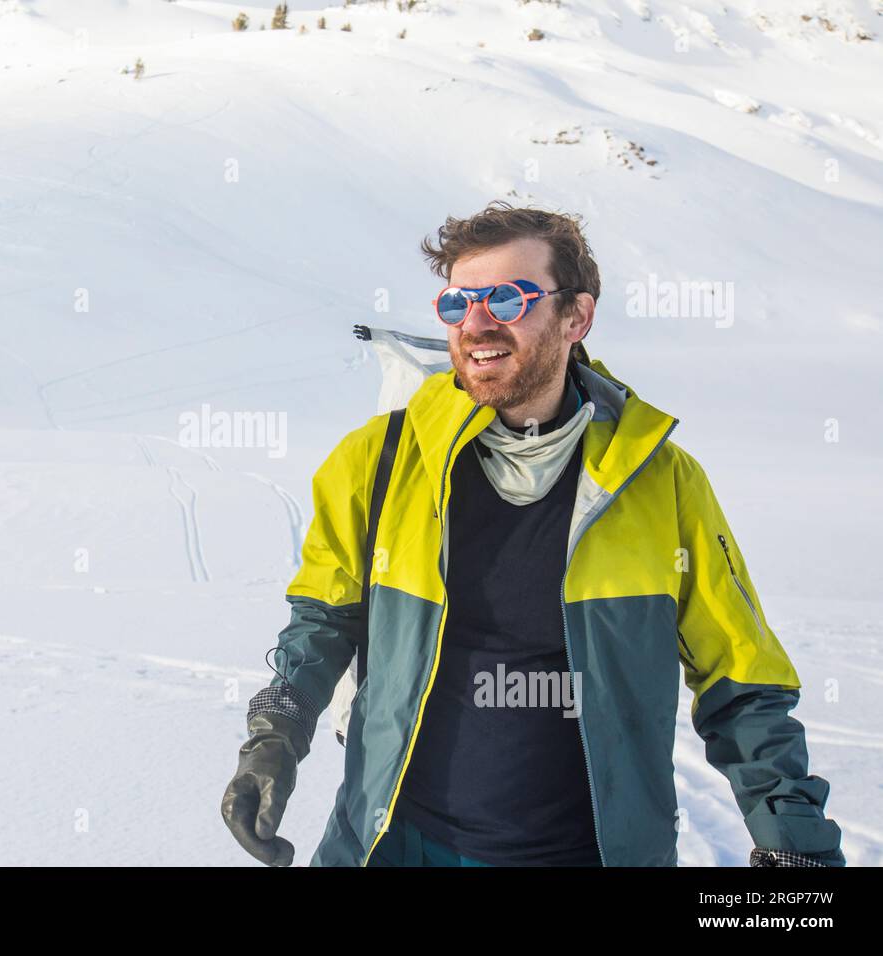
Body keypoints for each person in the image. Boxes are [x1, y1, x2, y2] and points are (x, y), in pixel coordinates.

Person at [220, 201, 845, 868]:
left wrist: (792, 835)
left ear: (576, 316)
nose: (478, 323)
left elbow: (740, 675)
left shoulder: (660, 481)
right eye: (458, 303)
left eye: (509, 298)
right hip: (392, 845)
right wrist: (272, 739)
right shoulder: (380, 460)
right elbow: (319, 622)